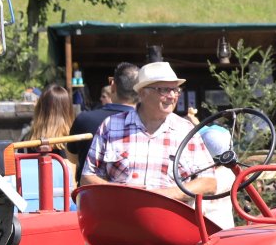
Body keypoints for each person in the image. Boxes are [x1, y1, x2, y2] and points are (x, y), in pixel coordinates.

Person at [81, 61, 216, 202]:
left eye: (176, 90)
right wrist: (123, 193)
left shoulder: (186, 130)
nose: (172, 96)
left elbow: (209, 182)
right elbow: (87, 177)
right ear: (142, 93)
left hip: (170, 214)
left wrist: (167, 195)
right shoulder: (111, 125)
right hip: (120, 213)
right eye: (164, 90)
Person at [68, 62, 138, 169]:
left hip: (89, 178)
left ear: (113, 87)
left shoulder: (84, 119)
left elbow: (72, 159)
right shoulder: (151, 124)